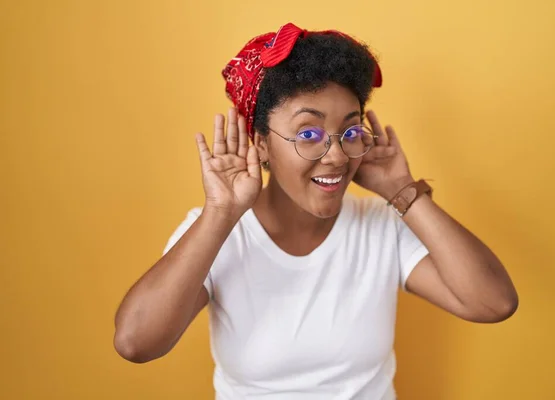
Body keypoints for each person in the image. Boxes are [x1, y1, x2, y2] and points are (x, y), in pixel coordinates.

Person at [113, 22, 518, 399]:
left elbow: (493, 303)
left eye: (351, 130)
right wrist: (220, 211)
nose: (338, 156)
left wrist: (401, 190)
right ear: (259, 143)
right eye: (309, 133)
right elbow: (136, 342)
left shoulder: (380, 228)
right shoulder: (219, 233)